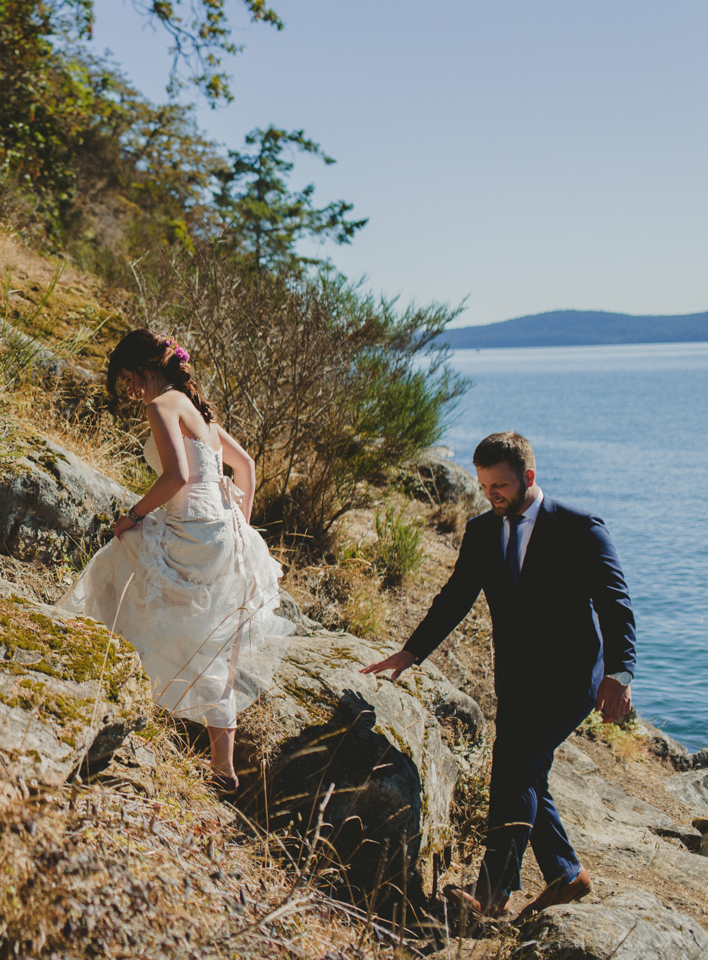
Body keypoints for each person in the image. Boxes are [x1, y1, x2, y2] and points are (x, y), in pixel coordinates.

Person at [361, 431, 637, 921]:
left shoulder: (579, 527)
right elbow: (455, 598)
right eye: (485, 486)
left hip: (573, 679)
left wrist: (620, 672)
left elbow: (615, 603)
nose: (492, 495)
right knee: (528, 772)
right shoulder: (483, 531)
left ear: (529, 477)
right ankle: (567, 876)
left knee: (513, 767)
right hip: (517, 679)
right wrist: (410, 652)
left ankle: (493, 893)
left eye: (501, 486)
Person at [57, 329, 294, 791]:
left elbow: (176, 476)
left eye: (128, 378)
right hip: (222, 533)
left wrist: (132, 515)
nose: (130, 390)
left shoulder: (162, 404)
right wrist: (238, 527)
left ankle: (103, 690)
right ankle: (222, 770)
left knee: (113, 568)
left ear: (147, 367)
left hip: (191, 532)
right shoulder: (200, 413)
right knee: (213, 642)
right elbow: (244, 467)